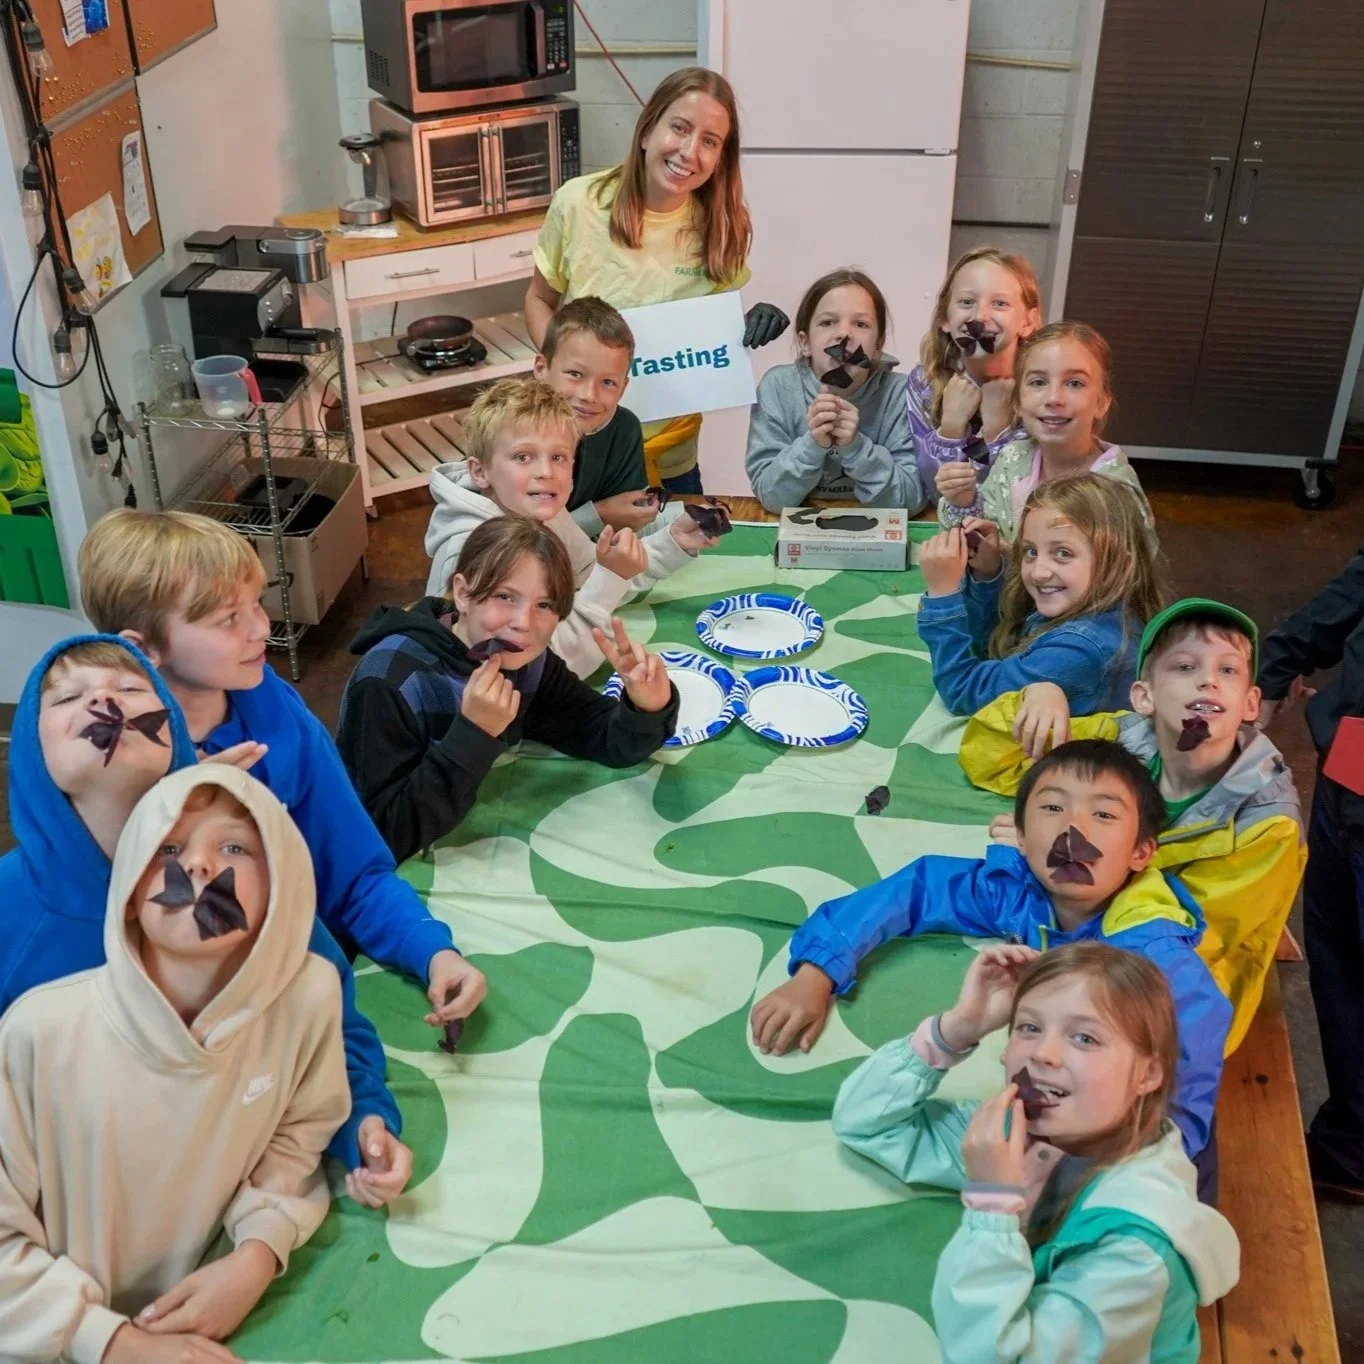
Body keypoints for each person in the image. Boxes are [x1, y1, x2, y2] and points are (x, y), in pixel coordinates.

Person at [0, 635, 410, 1207]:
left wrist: (362, 1118)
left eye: (129, 687)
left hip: (252, 1192)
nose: (104, 702)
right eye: (67, 698)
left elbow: (330, 1029)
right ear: (28, 750)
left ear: (172, 731)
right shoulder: (10, 908)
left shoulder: (240, 872)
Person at [77, 510, 488, 1034]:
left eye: (255, 602)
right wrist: (171, 811)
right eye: (228, 619)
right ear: (143, 649)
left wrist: (433, 952)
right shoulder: (102, 763)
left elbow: (354, 873)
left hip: (304, 980)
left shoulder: (277, 710)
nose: (261, 628)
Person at [0, 764, 350, 1362]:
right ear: (132, 894)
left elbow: (298, 1138)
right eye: (168, 847)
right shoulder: (40, 1033)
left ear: (281, 885)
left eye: (234, 845)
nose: (199, 867)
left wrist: (256, 1255)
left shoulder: (310, 995)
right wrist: (107, 1339)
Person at [750, 738, 1230, 1165]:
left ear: (1141, 853)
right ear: (1019, 837)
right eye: (1052, 809)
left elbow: (1187, 1089)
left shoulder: (1157, 965)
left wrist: (1111, 1166)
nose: (1073, 832)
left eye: (1103, 814)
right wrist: (817, 970)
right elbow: (917, 889)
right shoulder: (1019, 892)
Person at [833, 942, 1239, 1361]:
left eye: (1085, 1037)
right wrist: (957, 1029)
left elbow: (987, 1357)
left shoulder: (1137, 1249)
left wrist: (991, 1202)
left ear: (1147, 1074)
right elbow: (865, 1122)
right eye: (1028, 1027)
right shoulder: (1025, 1135)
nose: (1043, 1053)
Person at [961, 598, 1305, 1054]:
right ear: (1144, 696)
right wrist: (1039, 696)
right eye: (1185, 667)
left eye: (1228, 671)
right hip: (1084, 947)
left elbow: (1187, 938)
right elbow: (990, 760)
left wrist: (1059, 848)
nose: (1208, 679)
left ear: (1250, 703)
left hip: (1170, 1018)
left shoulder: (1269, 825)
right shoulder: (1126, 738)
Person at [338, 516, 679, 863]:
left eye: (544, 605)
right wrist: (474, 735)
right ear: (463, 593)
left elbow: (599, 735)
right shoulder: (388, 683)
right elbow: (382, 835)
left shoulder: (525, 661)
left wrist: (646, 709)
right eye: (504, 596)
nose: (524, 623)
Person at [523, 66, 789, 493]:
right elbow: (539, 299)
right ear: (647, 130)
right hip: (580, 440)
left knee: (679, 555)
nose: (689, 151)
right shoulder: (578, 203)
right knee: (580, 551)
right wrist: (565, 374)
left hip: (671, 450)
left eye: (709, 141)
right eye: (679, 128)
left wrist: (753, 320)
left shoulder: (724, 225)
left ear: (721, 156)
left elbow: (710, 339)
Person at [423, 377, 717, 677]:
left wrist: (672, 542)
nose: (546, 472)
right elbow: (539, 666)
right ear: (479, 470)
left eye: (558, 457)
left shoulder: (542, 511)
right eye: (523, 457)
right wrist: (610, 577)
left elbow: (596, 575)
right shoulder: (470, 551)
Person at [1255, 545, 1364, 1200]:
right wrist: (1274, 671)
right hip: (1347, 787)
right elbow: (1346, 596)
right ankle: (1347, 1145)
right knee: (1338, 964)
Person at [917, 474, 1165, 717]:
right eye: (1031, 551)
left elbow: (964, 691)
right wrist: (988, 572)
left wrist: (943, 595)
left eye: (1063, 553)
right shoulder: (1091, 603)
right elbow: (999, 649)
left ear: (1119, 562)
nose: (1038, 572)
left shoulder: (1081, 651)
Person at [937, 321, 1156, 549]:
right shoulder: (1012, 460)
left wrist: (1009, 554)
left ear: (1101, 403)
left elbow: (1126, 577)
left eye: (1074, 383)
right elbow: (981, 546)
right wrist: (963, 502)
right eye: (1038, 382)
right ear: (1018, 403)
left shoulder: (1115, 493)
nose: (1053, 398)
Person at [744, 267, 925, 512]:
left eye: (861, 324)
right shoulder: (778, 388)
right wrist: (812, 444)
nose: (843, 334)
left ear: (878, 346)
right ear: (805, 343)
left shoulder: (902, 393)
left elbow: (911, 501)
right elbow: (771, 497)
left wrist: (857, 448)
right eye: (828, 322)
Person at [906, 246, 1042, 495]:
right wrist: (950, 430)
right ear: (944, 319)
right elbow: (938, 496)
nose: (979, 317)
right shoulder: (926, 382)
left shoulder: (1041, 391)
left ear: (1028, 322)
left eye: (1000, 303)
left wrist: (997, 432)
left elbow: (1018, 498)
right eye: (967, 302)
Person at [533, 296, 660, 539]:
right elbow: (510, 546)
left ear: (623, 388)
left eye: (608, 382)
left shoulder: (624, 429)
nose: (589, 395)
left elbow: (627, 528)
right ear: (541, 369)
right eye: (575, 374)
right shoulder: (508, 432)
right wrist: (598, 516)